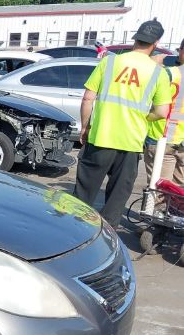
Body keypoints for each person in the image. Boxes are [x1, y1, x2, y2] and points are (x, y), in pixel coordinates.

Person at [73, 20, 173, 227]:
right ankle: (106, 237)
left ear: (135, 39)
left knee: (83, 193)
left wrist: (85, 127)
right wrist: (144, 119)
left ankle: (74, 230)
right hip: (131, 142)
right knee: (117, 198)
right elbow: (162, 112)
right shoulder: (158, 73)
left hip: (100, 137)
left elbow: (87, 99)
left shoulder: (109, 62)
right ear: (155, 43)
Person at [144, 38, 184, 187]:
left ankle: (155, 211)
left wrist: (155, 62)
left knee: (159, 188)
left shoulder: (170, 74)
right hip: (178, 142)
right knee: (179, 192)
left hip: (163, 138)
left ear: (181, 51)